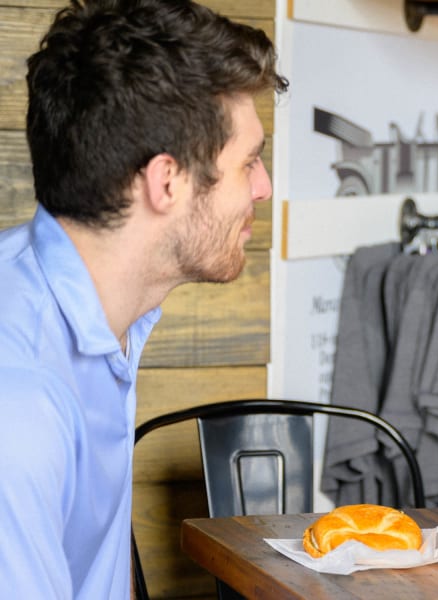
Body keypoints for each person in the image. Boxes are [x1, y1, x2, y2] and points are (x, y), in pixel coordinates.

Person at [0, 1, 287, 597]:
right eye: (250, 162)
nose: (263, 187)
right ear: (166, 182)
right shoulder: (19, 399)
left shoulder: (104, 309)